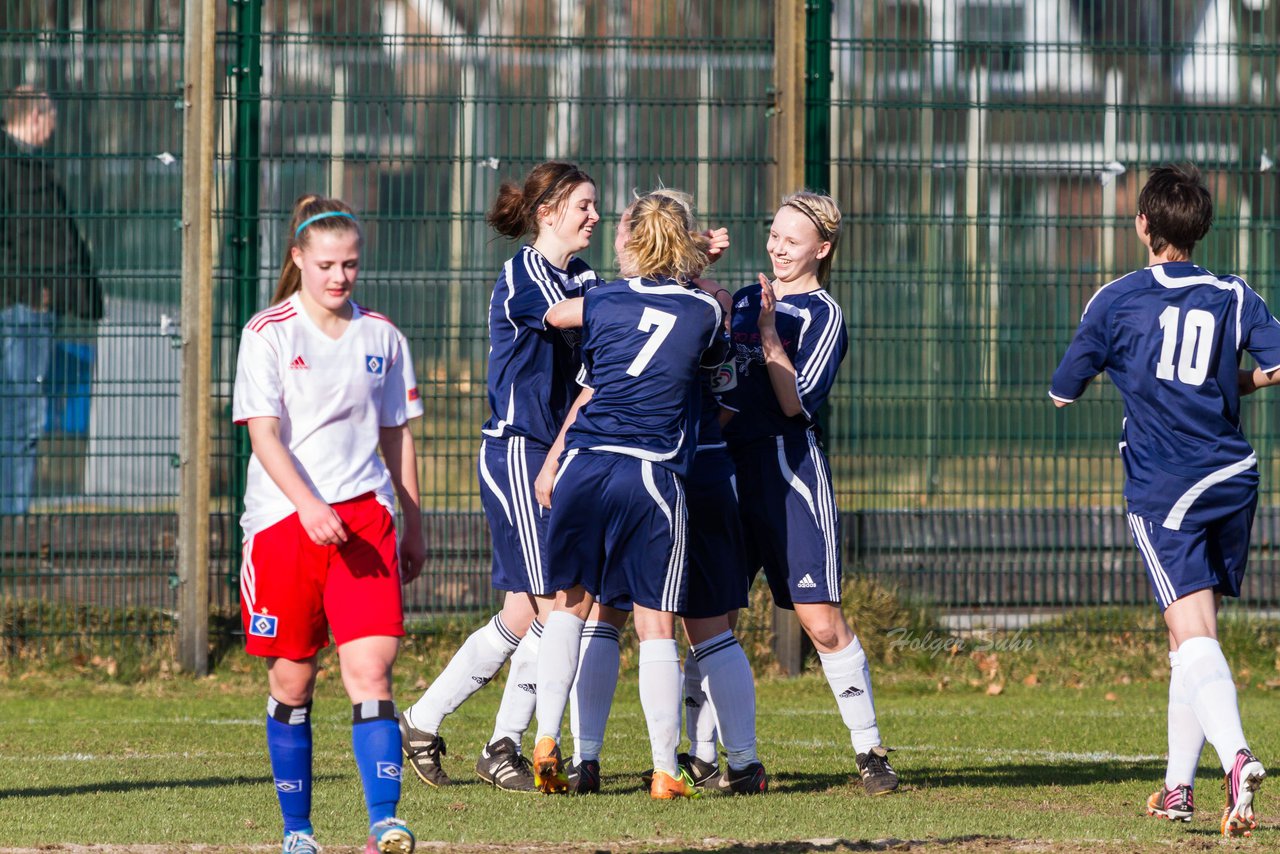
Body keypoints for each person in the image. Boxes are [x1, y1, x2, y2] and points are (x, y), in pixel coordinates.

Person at [1050, 163, 1275, 838]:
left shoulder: (1116, 299)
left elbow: (1064, 389)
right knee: (1190, 636)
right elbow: (1272, 361)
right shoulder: (1232, 293)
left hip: (1165, 486)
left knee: (1192, 635)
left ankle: (1236, 758)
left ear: (1143, 224)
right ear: (1200, 228)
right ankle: (1179, 789)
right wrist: (1234, 384)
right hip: (1233, 476)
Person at [399, 161, 601, 793]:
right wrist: (652, 288)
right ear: (548, 213)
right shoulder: (525, 275)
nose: (593, 217)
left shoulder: (585, 277)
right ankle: (507, 743)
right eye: (583, 207)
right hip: (520, 449)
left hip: (557, 450)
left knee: (523, 612)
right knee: (558, 602)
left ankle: (427, 721)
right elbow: (576, 317)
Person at [232, 195, 425, 854]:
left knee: (372, 671)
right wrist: (309, 506)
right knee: (293, 680)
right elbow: (264, 437)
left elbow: (397, 436)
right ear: (298, 261)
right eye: (326, 265)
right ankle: (298, 831)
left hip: (365, 518)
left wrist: (413, 520)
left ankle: (384, 822)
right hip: (287, 521)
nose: (339, 277)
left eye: (349, 264)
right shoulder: (268, 333)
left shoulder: (383, 337)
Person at [530, 189, 727, 799]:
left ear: (632, 242)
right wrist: (696, 264)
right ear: (684, 244)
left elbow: (557, 318)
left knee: (569, 604)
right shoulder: (705, 310)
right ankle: (666, 769)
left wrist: (554, 458)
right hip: (650, 473)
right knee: (656, 624)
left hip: (585, 464)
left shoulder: (602, 298)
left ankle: (545, 739)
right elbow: (702, 342)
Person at [719, 190, 898, 796]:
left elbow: (794, 402)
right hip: (728, 472)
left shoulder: (823, 316)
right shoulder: (744, 298)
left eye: (791, 241)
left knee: (821, 623)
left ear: (821, 249)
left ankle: (870, 750)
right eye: (773, 235)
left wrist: (769, 330)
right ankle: (714, 759)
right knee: (709, 617)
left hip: (789, 474)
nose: (776, 248)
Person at [0, 84, 101, 514]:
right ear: (37, 117)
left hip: (27, 303)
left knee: (18, 411)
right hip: (22, 307)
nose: (56, 126)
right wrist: (33, 292)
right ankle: (12, 519)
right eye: (52, 116)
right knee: (22, 413)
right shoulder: (15, 165)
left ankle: (13, 513)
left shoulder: (24, 164)